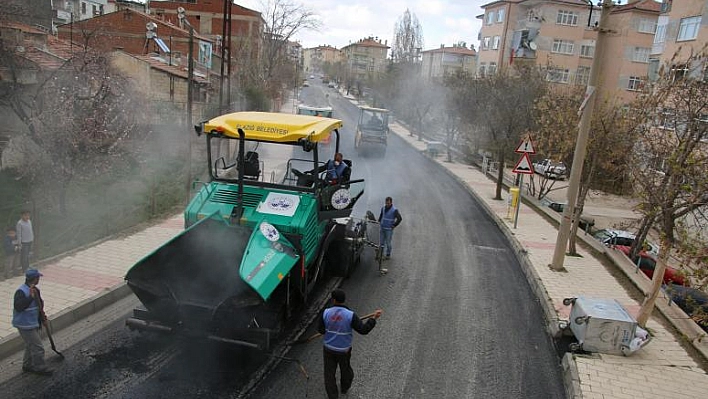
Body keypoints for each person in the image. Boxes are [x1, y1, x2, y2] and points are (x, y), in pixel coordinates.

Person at [317, 289, 382, 399]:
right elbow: (363, 330)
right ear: (344, 300)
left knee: (329, 374)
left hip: (328, 349)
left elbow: (321, 330)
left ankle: (333, 396)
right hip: (344, 350)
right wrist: (374, 318)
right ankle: (344, 387)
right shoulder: (350, 315)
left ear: (333, 300)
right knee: (345, 369)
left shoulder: (325, 313)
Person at [13, 268, 53, 375]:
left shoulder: (36, 290)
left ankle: (27, 365)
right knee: (38, 347)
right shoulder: (21, 291)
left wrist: (42, 318)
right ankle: (40, 367)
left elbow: (38, 306)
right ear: (34, 278)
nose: (39, 279)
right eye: (38, 277)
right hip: (24, 324)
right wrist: (30, 297)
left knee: (30, 344)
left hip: (32, 322)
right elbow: (19, 307)